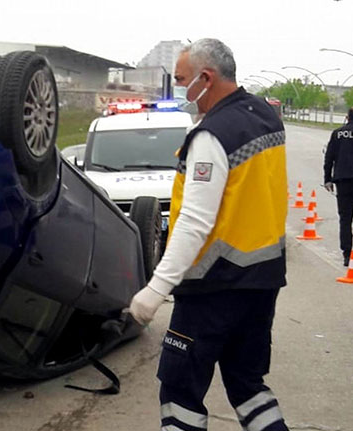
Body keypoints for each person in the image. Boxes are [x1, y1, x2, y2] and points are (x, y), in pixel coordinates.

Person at [129, 39, 289, 431]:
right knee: (248, 386)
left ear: (206, 78)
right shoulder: (266, 118)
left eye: (183, 81)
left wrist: (155, 289)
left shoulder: (211, 136)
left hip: (211, 289)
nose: (183, 90)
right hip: (262, 282)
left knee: (179, 394)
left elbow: (195, 222)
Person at [323, 108, 353, 266]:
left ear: (347, 118)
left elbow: (329, 157)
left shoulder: (337, 133)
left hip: (343, 180)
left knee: (345, 218)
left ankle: (347, 254)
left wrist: (327, 179)